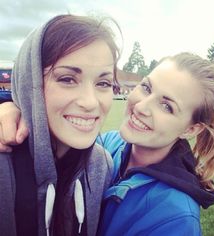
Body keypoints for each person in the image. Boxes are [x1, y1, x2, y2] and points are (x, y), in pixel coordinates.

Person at [0, 53, 214, 235]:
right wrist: (16, 110)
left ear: (190, 129)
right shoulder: (109, 143)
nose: (141, 106)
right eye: (147, 88)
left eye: (166, 106)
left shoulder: (175, 217)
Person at [0, 14, 122, 236]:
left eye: (103, 83)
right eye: (67, 79)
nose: (90, 102)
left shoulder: (102, 165)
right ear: (31, 83)